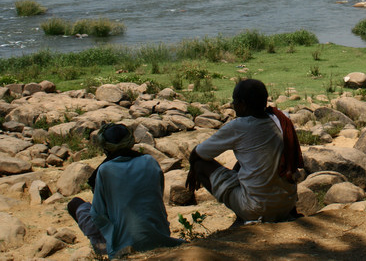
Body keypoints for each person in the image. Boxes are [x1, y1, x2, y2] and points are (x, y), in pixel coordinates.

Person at [186, 79, 302, 224]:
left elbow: (197, 154)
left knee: (200, 165)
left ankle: (244, 217)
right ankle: (246, 215)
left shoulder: (239, 126)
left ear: (242, 104)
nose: (233, 106)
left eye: (234, 102)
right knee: (241, 164)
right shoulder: (279, 119)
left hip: (258, 208)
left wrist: (193, 170)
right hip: (286, 205)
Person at [67, 123, 182, 259]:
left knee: (75, 204)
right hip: (160, 236)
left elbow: (98, 214)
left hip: (125, 244)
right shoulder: (150, 161)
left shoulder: (105, 170)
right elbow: (157, 196)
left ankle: (103, 250)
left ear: (105, 147)